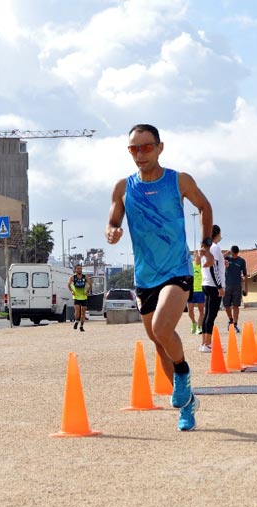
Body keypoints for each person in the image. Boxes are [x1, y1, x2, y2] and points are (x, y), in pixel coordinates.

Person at [106, 123, 212, 431]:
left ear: (160, 147)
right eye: (133, 149)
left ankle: (182, 373)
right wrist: (111, 231)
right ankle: (188, 403)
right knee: (158, 341)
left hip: (177, 270)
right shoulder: (123, 188)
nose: (139, 154)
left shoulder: (178, 180)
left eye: (146, 147)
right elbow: (112, 219)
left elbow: (204, 207)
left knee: (163, 328)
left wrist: (204, 243)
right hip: (145, 277)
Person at [199, 224, 225, 353]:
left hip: (206, 283)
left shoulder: (207, 247)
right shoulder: (215, 248)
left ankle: (204, 342)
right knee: (211, 314)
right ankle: (208, 343)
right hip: (213, 284)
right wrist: (220, 286)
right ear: (217, 234)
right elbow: (213, 267)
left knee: (207, 314)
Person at [223, 245, 248, 333]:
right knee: (226, 306)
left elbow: (245, 275)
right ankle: (230, 319)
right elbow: (219, 257)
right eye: (233, 254)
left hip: (237, 286)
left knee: (236, 306)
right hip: (227, 286)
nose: (234, 256)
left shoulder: (241, 261)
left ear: (237, 253)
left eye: (235, 254)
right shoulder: (227, 258)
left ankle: (235, 324)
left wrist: (246, 288)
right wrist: (228, 252)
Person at [187, 251, 205, 335]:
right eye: (196, 256)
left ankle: (199, 327)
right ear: (194, 257)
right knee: (190, 311)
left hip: (201, 291)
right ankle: (193, 322)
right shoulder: (190, 266)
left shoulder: (204, 266)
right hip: (191, 291)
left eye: (199, 256)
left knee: (201, 311)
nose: (198, 257)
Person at [69, 264, 91, 332]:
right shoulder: (73, 277)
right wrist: (72, 291)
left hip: (84, 296)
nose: (79, 270)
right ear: (75, 270)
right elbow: (68, 285)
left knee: (83, 312)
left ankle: (81, 326)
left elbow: (90, 285)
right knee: (77, 311)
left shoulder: (85, 277)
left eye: (80, 269)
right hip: (76, 296)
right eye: (78, 269)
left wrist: (87, 291)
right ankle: (76, 321)